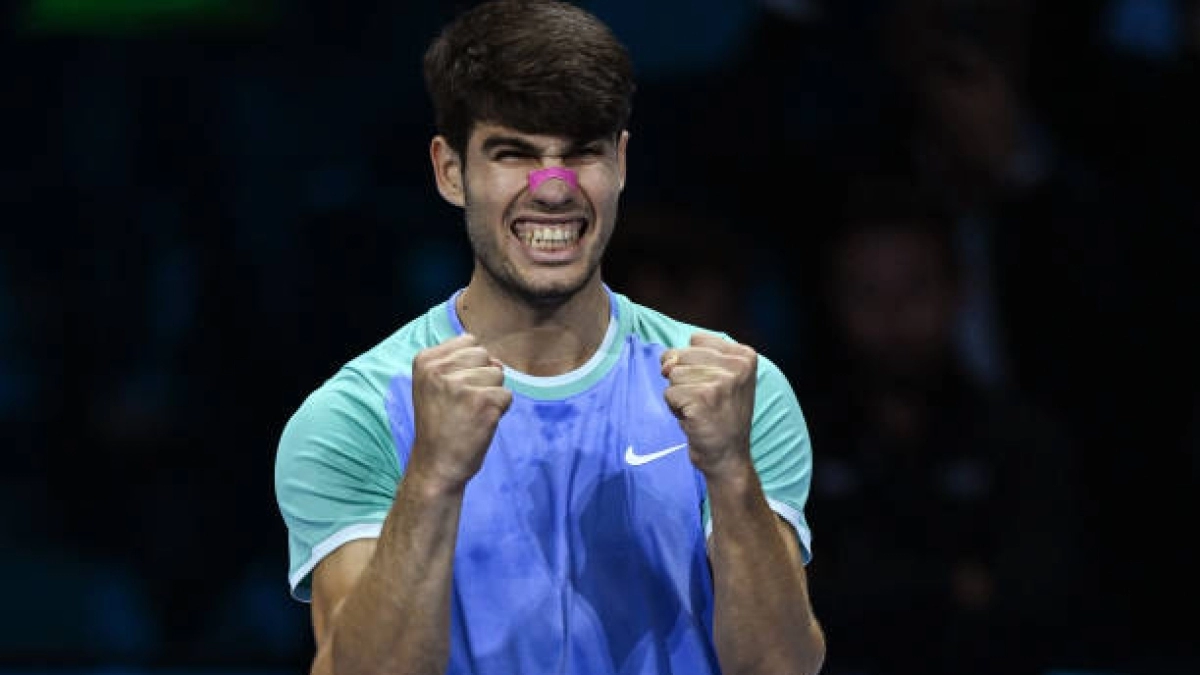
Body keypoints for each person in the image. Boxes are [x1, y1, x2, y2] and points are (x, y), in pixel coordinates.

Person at [272, 2, 826, 674]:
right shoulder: (354, 415)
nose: (554, 188)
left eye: (581, 153)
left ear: (619, 162)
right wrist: (433, 478)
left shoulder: (739, 392)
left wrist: (732, 473)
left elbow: (784, 668)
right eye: (515, 153)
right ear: (451, 171)